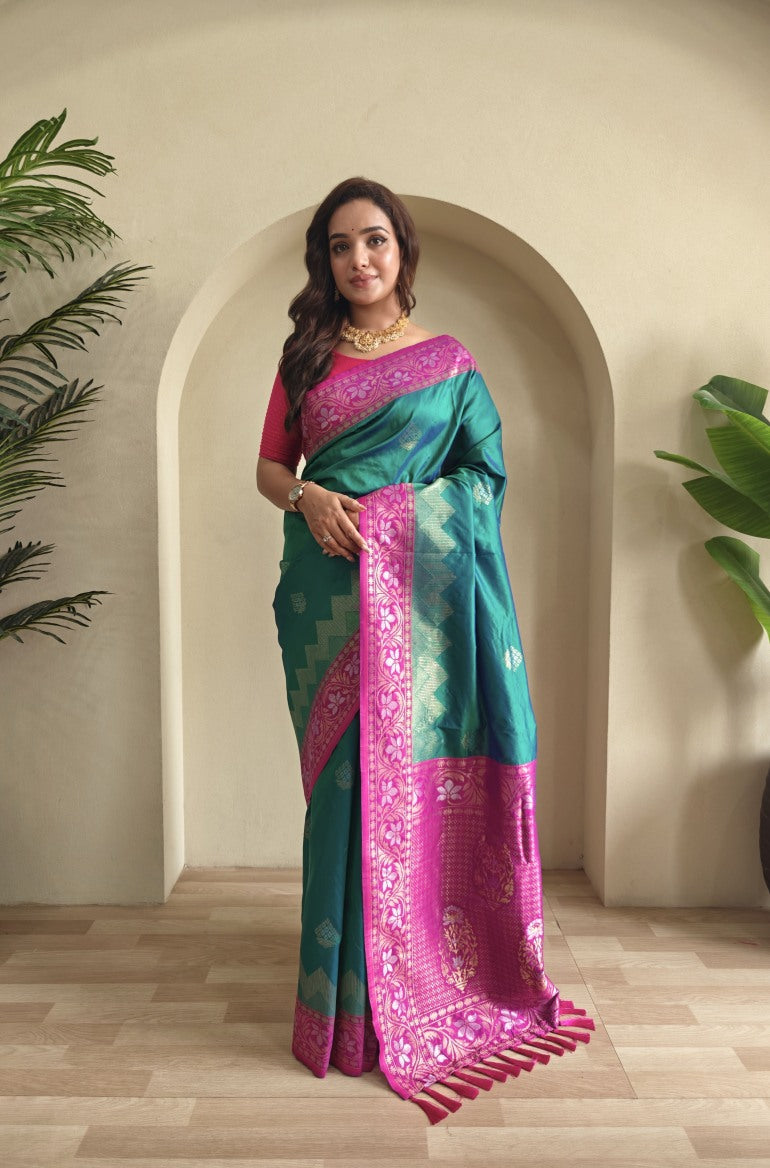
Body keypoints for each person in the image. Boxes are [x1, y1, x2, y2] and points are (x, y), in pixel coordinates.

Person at [256, 177, 592, 1124]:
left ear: (402, 248)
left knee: (397, 784)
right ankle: (339, 1014)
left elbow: (484, 476)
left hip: (421, 602)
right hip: (324, 598)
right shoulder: (305, 357)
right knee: (341, 792)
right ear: (325, 262)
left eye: (373, 240)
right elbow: (271, 467)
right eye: (339, 246)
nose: (358, 260)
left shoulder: (449, 366)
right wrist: (310, 498)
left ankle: (410, 987)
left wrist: (398, 516)